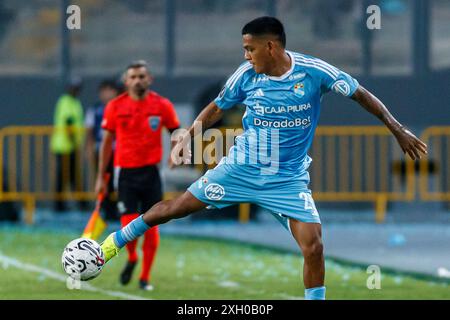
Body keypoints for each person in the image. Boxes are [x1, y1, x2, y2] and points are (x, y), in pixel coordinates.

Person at [98, 17, 427, 299]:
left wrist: (396, 129)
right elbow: (218, 106)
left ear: (271, 47)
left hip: (287, 179)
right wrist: (190, 133)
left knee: (313, 247)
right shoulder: (245, 75)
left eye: (250, 49)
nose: (246, 55)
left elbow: (361, 95)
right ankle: (111, 245)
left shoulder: (314, 72)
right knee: (174, 208)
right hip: (241, 169)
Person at [95, 60, 181, 290]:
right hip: (125, 174)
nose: (137, 80)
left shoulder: (162, 105)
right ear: (126, 81)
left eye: (142, 76)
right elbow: (106, 143)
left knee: (152, 225)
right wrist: (100, 177)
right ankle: (132, 257)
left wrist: (176, 151)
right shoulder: (115, 106)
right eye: (133, 77)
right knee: (128, 226)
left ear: (149, 79)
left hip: (151, 173)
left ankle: (145, 277)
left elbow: (176, 131)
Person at [85, 79, 121, 222]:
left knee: (117, 181)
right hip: (101, 149)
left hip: (118, 150)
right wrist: (89, 148)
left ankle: (118, 209)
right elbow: (89, 130)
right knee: (103, 181)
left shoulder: (120, 107)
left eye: (110, 90)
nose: (107, 94)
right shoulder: (95, 109)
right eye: (104, 90)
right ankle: (105, 210)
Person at [50, 76, 86, 212]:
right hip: (64, 146)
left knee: (71, 175)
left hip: (70, 145)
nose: (75, 90)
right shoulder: (66, 101)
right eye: (73, 87)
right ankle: (60, 204)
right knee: (64, 176)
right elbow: (68, 122)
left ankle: (78, 203)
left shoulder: (74, 102)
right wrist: (74, 143)